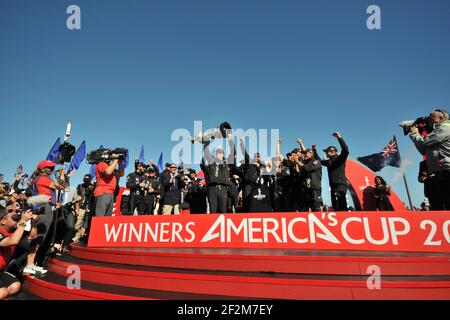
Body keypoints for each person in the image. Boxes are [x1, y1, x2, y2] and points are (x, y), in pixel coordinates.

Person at [23, 160, 66, 275]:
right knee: (39, 238)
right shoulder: (43, 178)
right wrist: (61, 175)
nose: (51, 169)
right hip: (44, 207)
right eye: (49, 168)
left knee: (40, 238)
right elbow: (62, 186)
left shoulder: (39, 178)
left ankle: (31, 264)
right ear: (42, 169)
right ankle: (29, 265)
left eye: (52, 168)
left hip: (44, 206)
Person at [410, 108, 450, 210]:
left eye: (431, 116)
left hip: (446, 171)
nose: (428, 118)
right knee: (438, 207)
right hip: (438, 173)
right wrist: (415, 135)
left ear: (441, 117)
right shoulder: (437, 129)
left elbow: (424, 142)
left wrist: (415, 134)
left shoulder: (446, 127)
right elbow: (423, 149)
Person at [0, 207, 33, 300]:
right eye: (12, 216)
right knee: (3, 291)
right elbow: (13, 241)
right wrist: (22, 222)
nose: (16, 216)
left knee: (16, 285)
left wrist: (34, 223)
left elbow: (32, 237)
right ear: (3, 222)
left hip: (1, 272)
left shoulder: (15, 232)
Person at [201, 135, 235, 214]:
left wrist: (230, 139)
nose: (219, 154)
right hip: (212, 188)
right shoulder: (211, 161)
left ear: (223, 154)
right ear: (216, 154)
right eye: (217, 152)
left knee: (223, 210)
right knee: (213, 211)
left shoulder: (226, 163)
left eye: (221, 152)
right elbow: (206, 152)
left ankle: (223, 225)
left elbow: (233, 152)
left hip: (223, 188)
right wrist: (207, 141)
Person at [320, 132, 349, 211]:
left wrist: (339, 138)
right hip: (333, 186)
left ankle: (345, 219)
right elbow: (319, 161)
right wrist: (314, 150)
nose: (326, 153)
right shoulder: (329, 161)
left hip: (340, 184)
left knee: (342, 206)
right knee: (336, 207)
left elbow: (345, 150)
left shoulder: (340, 158)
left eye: (327, 151)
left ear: (333, 151)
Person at [73, 174, 94, 243]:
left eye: (87, 181)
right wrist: (77, 208)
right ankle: (73, 237)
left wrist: (92, 190)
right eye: (85, 181)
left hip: (89, 208)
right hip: (81, 207)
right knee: (77, 224)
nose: (86, 182)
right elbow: (77, 198)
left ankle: (76, 239)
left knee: (85, 224)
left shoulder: (93, 187)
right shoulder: (80, 186)